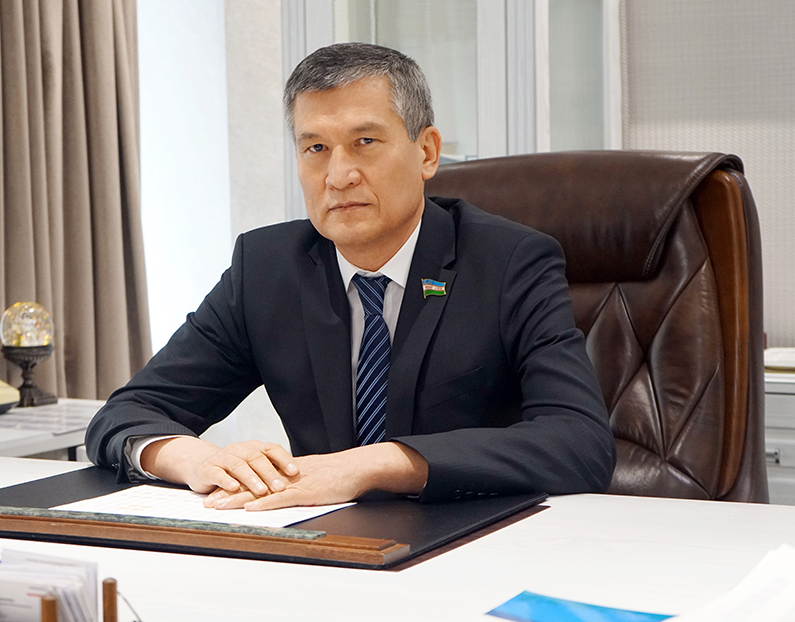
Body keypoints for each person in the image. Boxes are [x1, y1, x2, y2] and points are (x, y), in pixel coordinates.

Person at [86, 42, 615, 511]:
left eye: (365, 141)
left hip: (474, 542)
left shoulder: (509, 262)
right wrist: (196, 459)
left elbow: (580, 443)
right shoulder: (266, 268)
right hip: (325, 544)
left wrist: (375, 465)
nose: (338, 176)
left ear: (427, 152)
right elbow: (127, 413)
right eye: (316, 148)